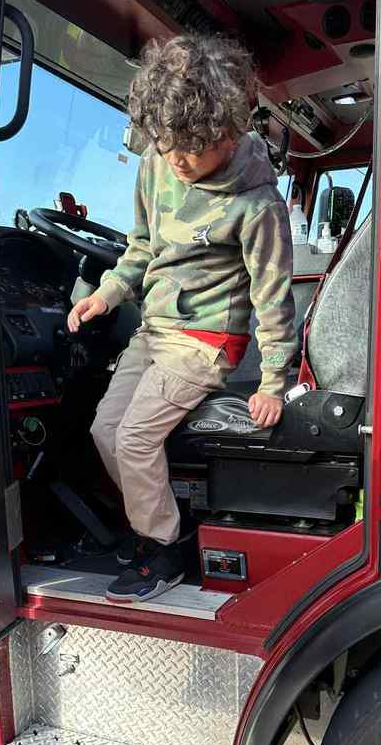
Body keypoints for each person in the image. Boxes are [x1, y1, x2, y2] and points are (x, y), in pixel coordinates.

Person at [67, 34, 296, 603]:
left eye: (190, 148)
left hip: (207, 339)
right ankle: (160, 524)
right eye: (166, 145)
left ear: (228, 130)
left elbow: (273, 296)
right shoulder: (156, 162)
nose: (176, 159)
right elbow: (141, 247)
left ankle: (163, 546)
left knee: (136, 438)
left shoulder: (257, 203)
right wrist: (109, 292)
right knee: (104, 430)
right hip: (155, 327)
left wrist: (273, 382)